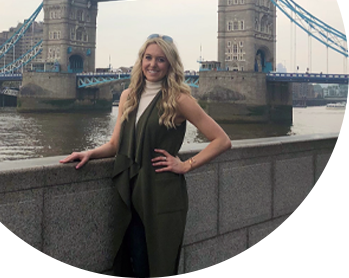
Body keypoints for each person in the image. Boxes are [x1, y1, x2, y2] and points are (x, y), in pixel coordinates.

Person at [60, 35, 232, 277]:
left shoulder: (179, 99)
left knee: (160, 268)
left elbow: (222, 140)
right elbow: (116, 144)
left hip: (163, 195)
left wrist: (185, 165)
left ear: (170, 64)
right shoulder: (127, 96)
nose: (153, 64)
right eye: (148, 57)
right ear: (141, 61)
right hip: (130, 193)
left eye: (161, 59)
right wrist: (89, 153)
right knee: (134, 264)